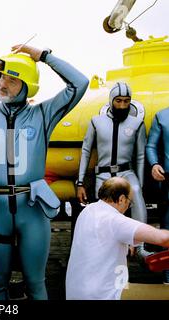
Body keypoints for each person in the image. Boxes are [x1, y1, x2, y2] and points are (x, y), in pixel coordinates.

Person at [0, 44, 89, 299]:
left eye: (13, 80)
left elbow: (79, 83)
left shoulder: (43, 114)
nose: (4, 84)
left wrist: (44, 56)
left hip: (32, 210)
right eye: (3, 77)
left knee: (36, 282)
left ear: (28, 86)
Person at [76, 81, 150, 259]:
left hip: (126, 172)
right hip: (103, 174)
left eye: (126, 101)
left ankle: (139, 247)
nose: (122, 105)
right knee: (104, 210)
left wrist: (140, 182)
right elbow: (86, 151)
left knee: (136, 194)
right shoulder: (96, 122)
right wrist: (80, 182)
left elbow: (140, 156)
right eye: (118, 100)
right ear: (111, 100)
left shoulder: (137, 123)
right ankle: (105, 248)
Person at [66, 177, 169, 300]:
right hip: (104, 295)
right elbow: (164, 239)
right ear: (121, 199)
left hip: (76, 293)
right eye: (130, 203)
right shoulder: (114, 220)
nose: (128, 207)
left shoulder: (88, 211)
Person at [146, 106, 169, 283]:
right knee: (167, 231)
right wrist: (154, 164)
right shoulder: (162, 116)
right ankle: (168, 279)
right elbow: (151, 145)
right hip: (168, 182)